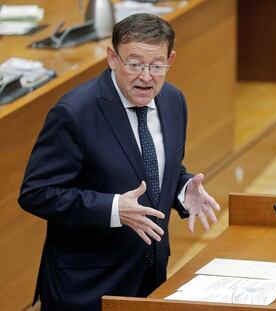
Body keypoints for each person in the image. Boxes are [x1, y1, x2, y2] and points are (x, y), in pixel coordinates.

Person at [18, 13, 220, 311]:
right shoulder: (75, 113)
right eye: (135, 64)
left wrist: (181, 188)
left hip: (150, 279)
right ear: (112, 58)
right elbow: (36, 192)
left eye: (156, 65)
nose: (146, 76)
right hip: (86, 289)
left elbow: (153, 167)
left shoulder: (174, 101)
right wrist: (112, 209)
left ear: (170, 60)